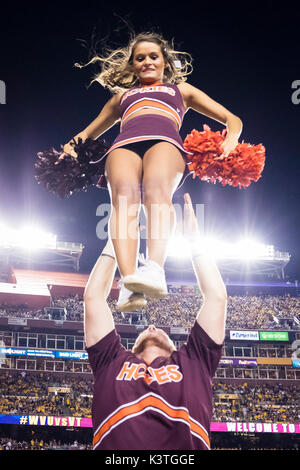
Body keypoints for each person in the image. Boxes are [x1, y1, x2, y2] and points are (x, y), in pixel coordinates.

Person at [59, 31, 242, 312]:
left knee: (157, 192)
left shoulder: (182, 90)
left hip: (165, 141)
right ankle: (130, 283)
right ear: (132, 64)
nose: (147, 62)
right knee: (122, 202)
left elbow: (232, 118)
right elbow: (85, 134)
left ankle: (155, 268)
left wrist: (231, 137)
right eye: (140, 58)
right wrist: (68, 149)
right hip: (124, 145)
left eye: (153, 56)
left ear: (165, 62)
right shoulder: (120, 98)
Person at [83, 192, 227, 450]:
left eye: (156, 328)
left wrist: (195, 241)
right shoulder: (111, 360)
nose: (151, 326)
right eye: (147, 328)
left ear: (174, 346)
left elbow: (216, 298)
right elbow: (94, 298)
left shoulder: (194, 361)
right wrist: (116, 244)